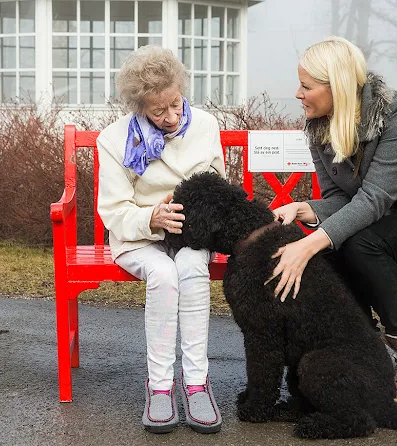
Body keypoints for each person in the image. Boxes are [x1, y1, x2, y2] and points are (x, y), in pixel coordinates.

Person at [269, 36, 397, 406]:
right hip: (386, 218)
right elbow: (341, 198)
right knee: (332, 251)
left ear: (337, 86)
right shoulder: (319, 126)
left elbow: (376, 198)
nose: (298, 93)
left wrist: (309, 242)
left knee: (358, 243)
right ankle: (365, 358)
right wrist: (305, 209)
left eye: (306, 86)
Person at [96, 45, 225, 433]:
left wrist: (196, 218)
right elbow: (114, 211)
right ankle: (160, 386)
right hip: (138, 236)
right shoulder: (113, 138)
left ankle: (197, 382)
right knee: (164, 276)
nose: (171, 117)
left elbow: (219, 189)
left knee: (188, 269)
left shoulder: (205, 125)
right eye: (158, 111)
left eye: (176, 104)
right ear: (139, 107)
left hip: (191, 234)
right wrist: (152, 217)